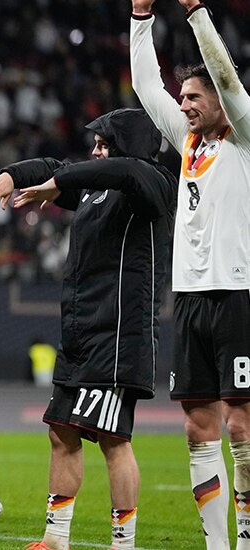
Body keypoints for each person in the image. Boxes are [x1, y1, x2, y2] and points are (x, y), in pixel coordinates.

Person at [0, 108, 175, 550]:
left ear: (124, 148)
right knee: (61, 432)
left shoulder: (153, 184)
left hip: (119, 334)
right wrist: (13, 176)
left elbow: (120, 170)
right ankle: (55, 538)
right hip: (80, 332)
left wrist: (65, 181)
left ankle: (123, 544)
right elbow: (54, 169)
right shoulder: (92, 190)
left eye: (103, 144)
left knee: (113, 439)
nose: (95, 152)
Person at [130, 1, 250, 547]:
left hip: (236, 294)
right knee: (197, 427)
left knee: (241, 426)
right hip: (191, 298)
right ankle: (217, 545)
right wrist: (139, 18)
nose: (184, 106)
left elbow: (224, 75)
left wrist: (198, 13)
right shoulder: (189, 146)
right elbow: (145, 85)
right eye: (184, 100)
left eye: (194, 98)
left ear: (221, 105)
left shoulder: (243, 138)